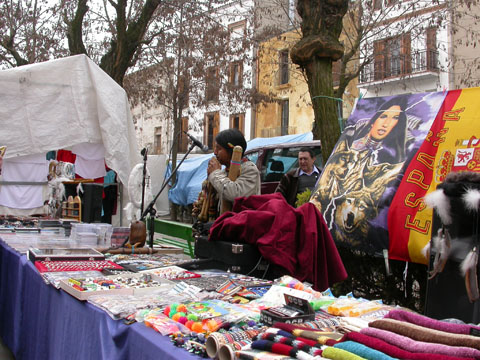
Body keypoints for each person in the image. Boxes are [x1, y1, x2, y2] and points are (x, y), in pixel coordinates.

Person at [207, 128, 261, 214]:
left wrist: (215, 174)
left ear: (231, 150)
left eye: (219, 148)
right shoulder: (224, 172)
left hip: (242, 224)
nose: (215, 152)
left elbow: (234, 194)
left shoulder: (250, 170)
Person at [345, 96, 408, 165]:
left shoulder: (391, 154)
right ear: (373, 121)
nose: (386, 124)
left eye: (395, 118)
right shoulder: (351, 146)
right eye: (383, 116)